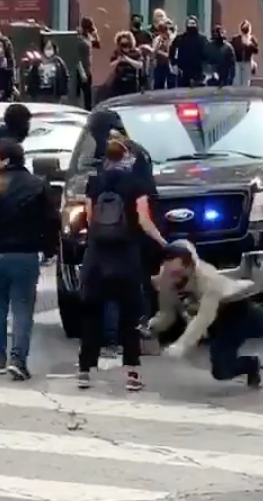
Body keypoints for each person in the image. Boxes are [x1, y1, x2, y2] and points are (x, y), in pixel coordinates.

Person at [148, 241, 263, 386]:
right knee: (221, 372)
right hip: (222, 326)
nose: (173, 276)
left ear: (189, 267)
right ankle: (250, 365)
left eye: (178, 271)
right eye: (169, 269)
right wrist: (153, 326)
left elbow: (203, 318)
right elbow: (167, 314)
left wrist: (182, 345)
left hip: (240, 311)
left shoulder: (208, 279)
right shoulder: (164, 280)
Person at [78, 134, 166, 391]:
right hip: (126, 256)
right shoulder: (135, 182)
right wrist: (162, 241)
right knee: (129, 317)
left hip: (96, 256)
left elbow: (89, 216)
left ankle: (84, 370)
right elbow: (144, 220)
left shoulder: (94, 182)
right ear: (126, 156)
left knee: (92, 313)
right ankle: (131, 374)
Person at [0, 139, 60, 379]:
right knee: (22, 309)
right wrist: (48, 248)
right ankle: (18, 360)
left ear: (6, 159)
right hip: (25, 253)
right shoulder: (37, 184)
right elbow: (52, 220)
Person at [170, 16, 209, 88]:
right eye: (190, 23)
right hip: (183, 72)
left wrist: (205, 67)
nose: (191, 25)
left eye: (193, 23)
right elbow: (172, 51)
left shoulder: (202, 39)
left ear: (197, 24)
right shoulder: (180, 38)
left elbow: (207, 54)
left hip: (198, 72)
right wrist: (174, 63)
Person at [109, 31, 144, 97]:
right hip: (119, 81)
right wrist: (118, 60)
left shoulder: (136, 52)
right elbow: (111, 65)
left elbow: (140, 65)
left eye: (126, 44)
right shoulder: (117, 52)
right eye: (122, 44)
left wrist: (128, 59)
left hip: (131, 81)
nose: (124, 47)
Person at [77, 17, 101, 110]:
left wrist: (95, 33)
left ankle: (87, 110)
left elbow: (98, 44)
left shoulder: (87, 38)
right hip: (81, 68)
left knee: (88, 94)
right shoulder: (80, 39)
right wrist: (82, 71)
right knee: (82, 92)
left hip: (87, 68)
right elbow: (77, 56)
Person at [231, 21, 259, 87]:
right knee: (237, 81)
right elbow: (232, 49)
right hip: (238, 62)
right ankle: (237, 95)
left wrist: (250, 44)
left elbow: (256, 51)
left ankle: (244, 94)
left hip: (247, 62)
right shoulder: (236, 39)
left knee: (245, 82)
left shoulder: (252, 39)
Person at [151, 20, 175, 90]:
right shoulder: (157, 39)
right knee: (158, 84)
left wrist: (160, 52)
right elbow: (153, 52)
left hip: (170, 65)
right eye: (161, 31)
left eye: (165, 30)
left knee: (171, 83)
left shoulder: (172, 39)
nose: (164, 33)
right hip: (159, 64)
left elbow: (171, 54)